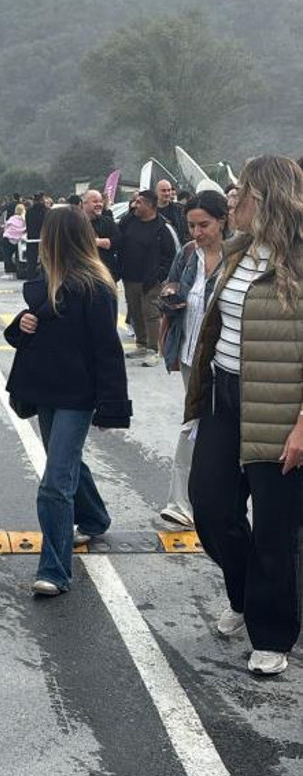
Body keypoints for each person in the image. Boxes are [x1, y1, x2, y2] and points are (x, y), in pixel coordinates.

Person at [185, 155, 303, 676]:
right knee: (210, 508)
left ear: (268, 198)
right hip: (224, 396)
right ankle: (247, 593)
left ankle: (273, 634)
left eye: (242, 193)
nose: (232, 200)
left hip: (279, 408)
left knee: (275, 530)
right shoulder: (237, 252)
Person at [5, 207, 131, 595]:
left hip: (77, 396)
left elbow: (108, 351)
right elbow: (29, 335)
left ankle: (54, 570)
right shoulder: (43, 281)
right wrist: (21, 325)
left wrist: (112, 406)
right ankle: (94, 517)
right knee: (66, 462)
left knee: (55, 482)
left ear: (57, 240)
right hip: (46, 390)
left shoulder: (96, 287)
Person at [158, 191, 228, 528]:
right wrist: (170, 297)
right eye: (191, 226)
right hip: (190, 356)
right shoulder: (188, 254)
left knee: (212, 428)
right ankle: (180, 502)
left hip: (224, 358)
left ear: (223, 221)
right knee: (193, 424)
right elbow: (170, 286)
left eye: (204, 225)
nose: (197, 233)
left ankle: (208, 500)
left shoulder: (238, 257)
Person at [117, 189, 177, 366]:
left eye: (139, 202)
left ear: (150, 206)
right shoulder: (128, 221)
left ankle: (153, 349)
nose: (135, 205)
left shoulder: (163, 227)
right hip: (130, 277)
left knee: (151, 313)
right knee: (135, 312)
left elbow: (170, 255)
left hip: (151, 280)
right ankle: (141, 344)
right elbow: (118, 239)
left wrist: (160, 276)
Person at [82, 189, 120, 282]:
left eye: (100, 201)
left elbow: (119, 241)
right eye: (95, 202)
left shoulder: (108, 221)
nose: (99, 204)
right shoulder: (76, 222)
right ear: (84, 203)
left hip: (107, 274)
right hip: (85, 275)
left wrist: (98, 242)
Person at [156, 178, 188, 244]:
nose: (167, 193)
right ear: (156, 192)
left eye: (169, 190)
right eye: (163, 191)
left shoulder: (180, 210)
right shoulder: (150, 211)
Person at [24, 193, 47, 280]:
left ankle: (30, 279)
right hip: (44, 239)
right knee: (45, 261)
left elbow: (27, 224)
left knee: (31, 261)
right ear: (41, 200)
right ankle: (44, 279)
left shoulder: (29, 212)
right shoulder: (46, 211)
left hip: (31, 239)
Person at [1, 202, 27, 278]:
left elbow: (6, 226)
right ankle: (17, 268)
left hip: (7, 238)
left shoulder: (12, 218)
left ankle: (8, 270)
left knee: (7, 256)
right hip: (19, 240)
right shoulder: (24, 220)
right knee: (18, 255)